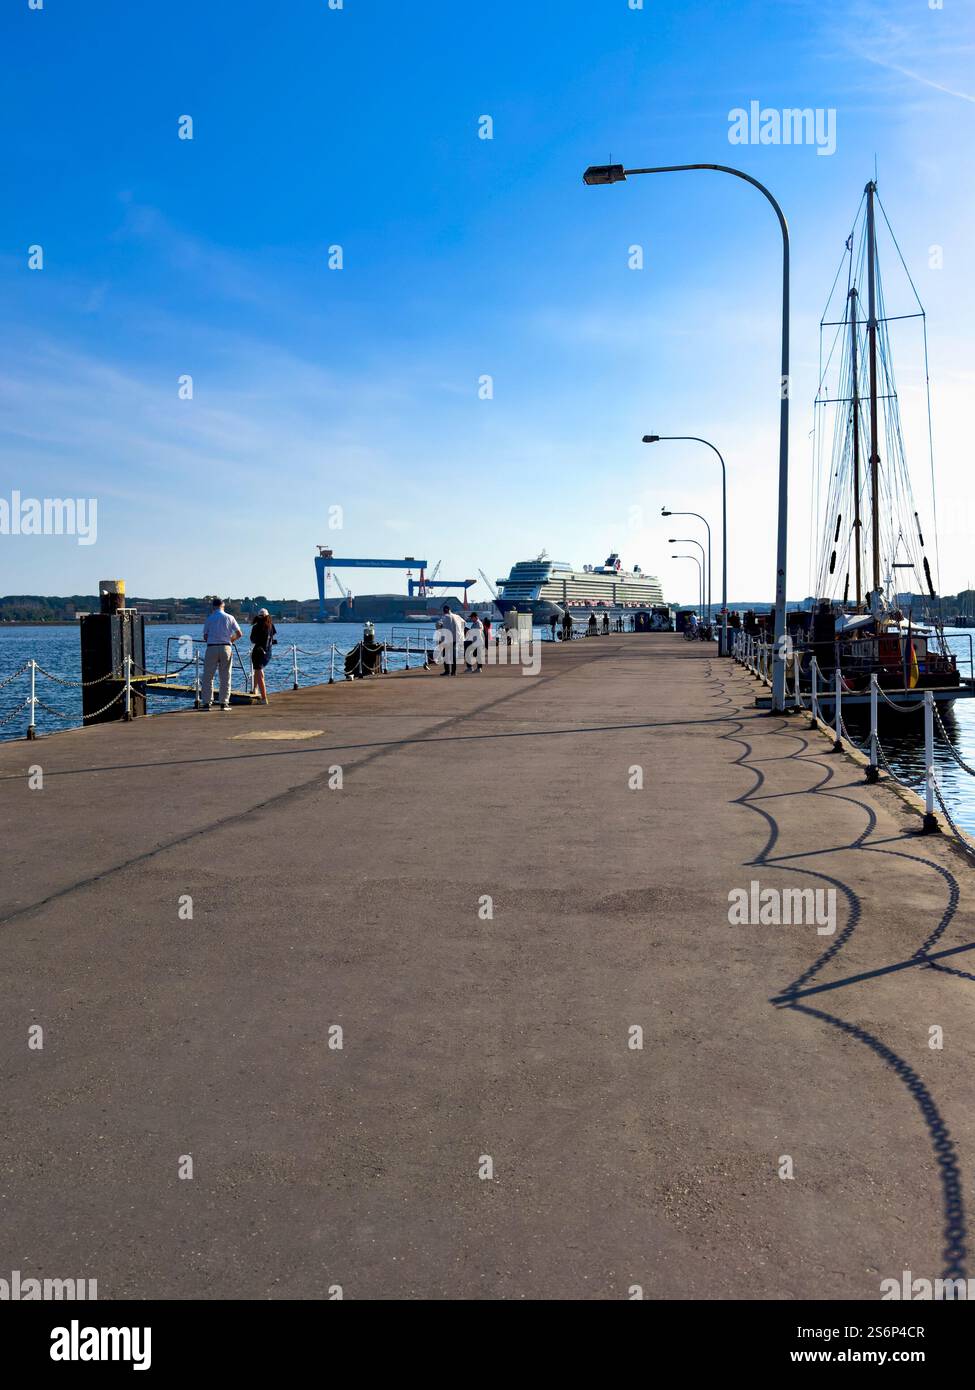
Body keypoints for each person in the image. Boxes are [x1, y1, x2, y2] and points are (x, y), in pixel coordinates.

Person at [201, 596, 242, 710]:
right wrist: (230, 640)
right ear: (223, 606)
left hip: (212, 647)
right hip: (226, 647)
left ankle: (207, 703)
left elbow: (205, 636)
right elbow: (239, 633)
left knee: (208, 676)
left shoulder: (209, 618)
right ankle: (224, 703)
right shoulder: (230, 617)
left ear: (213, 607)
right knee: (225, 676)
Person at [249, 608, 277, 705]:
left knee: (259, 673)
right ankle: (254, 690)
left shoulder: (256, 627)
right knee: (258, 670)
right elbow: (273, 637)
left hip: (258, 652)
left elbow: (253, 640)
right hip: (268, 652)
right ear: (267, 616)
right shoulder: (270, 626)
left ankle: (264, 698)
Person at [438, 603, 465, 676]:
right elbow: (463, 623)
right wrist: (461, 632)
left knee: (445, 654)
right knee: (453, 655)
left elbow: (438, 624)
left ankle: (447, 671)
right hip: (456, 638)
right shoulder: (457, 616)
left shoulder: (444, 617)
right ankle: (454, 672)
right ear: (450, 610)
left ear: (444, 611)